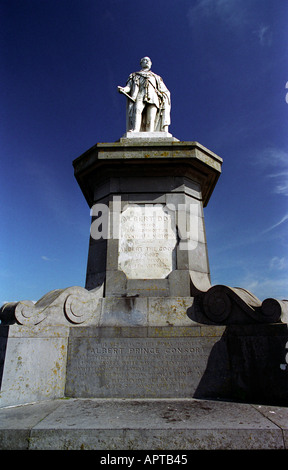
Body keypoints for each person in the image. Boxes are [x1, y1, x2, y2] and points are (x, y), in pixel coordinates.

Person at [118, 57, 171, 133]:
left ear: (151, 63)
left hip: (153, 97)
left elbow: (164, 90)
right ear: (141, 64)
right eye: (144, 60)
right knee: (137, 110)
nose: (146, 62)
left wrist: (164, 96)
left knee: (151, 116)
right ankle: (135, 129)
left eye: (148, 60)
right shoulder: (134, 75)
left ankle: (150, 132)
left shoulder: (156, 77)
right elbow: (129, 87)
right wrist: (123, 89)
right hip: (139, 95)